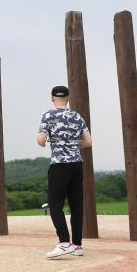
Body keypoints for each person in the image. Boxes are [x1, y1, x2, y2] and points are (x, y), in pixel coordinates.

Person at [37, 85, 91, 259]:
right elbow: (88, 142)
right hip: (76, 164)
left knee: (55, 204)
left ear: (52, 98)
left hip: (59, 164)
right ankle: (77, 245)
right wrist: (74, 145)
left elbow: (41, 140)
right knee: (76, 205)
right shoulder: (77, 116)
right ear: (68, 98)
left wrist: (48, 141)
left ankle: (63, 242)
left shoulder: (48, 116)